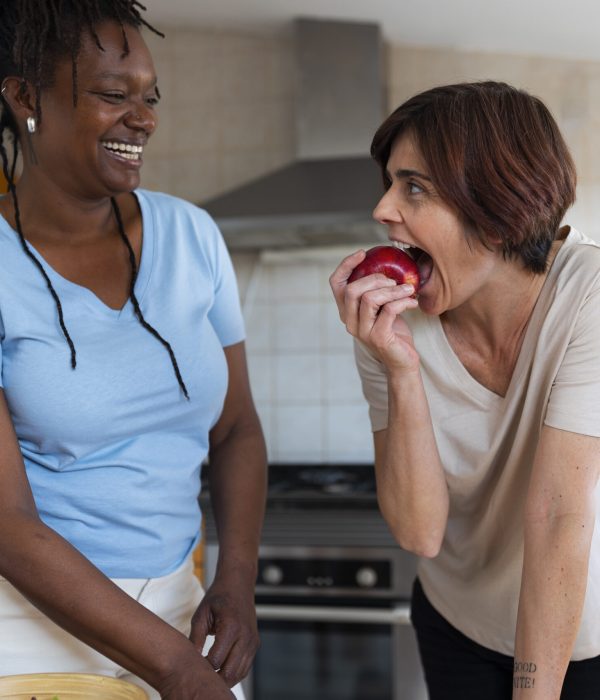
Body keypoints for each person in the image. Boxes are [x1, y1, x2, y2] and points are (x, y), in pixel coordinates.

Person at [0, 2, 267, 699]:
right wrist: (176, 668)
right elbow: (6, 521)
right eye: (114, 95)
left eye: (149, 97)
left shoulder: (193, 235)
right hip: (32, 622)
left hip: (186, 606)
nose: (143, 118)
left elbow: (236, 427)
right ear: (26, 97)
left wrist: (236, 581)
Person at [330, 81, 600, 699]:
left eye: (415, 187)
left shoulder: (589, 297)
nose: (382, 209)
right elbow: (419, 532)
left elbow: (559, 517)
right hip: (457, 624)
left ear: (501, 213)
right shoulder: (387, 321)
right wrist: (401, 371)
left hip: (584, 636)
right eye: (391, 181)